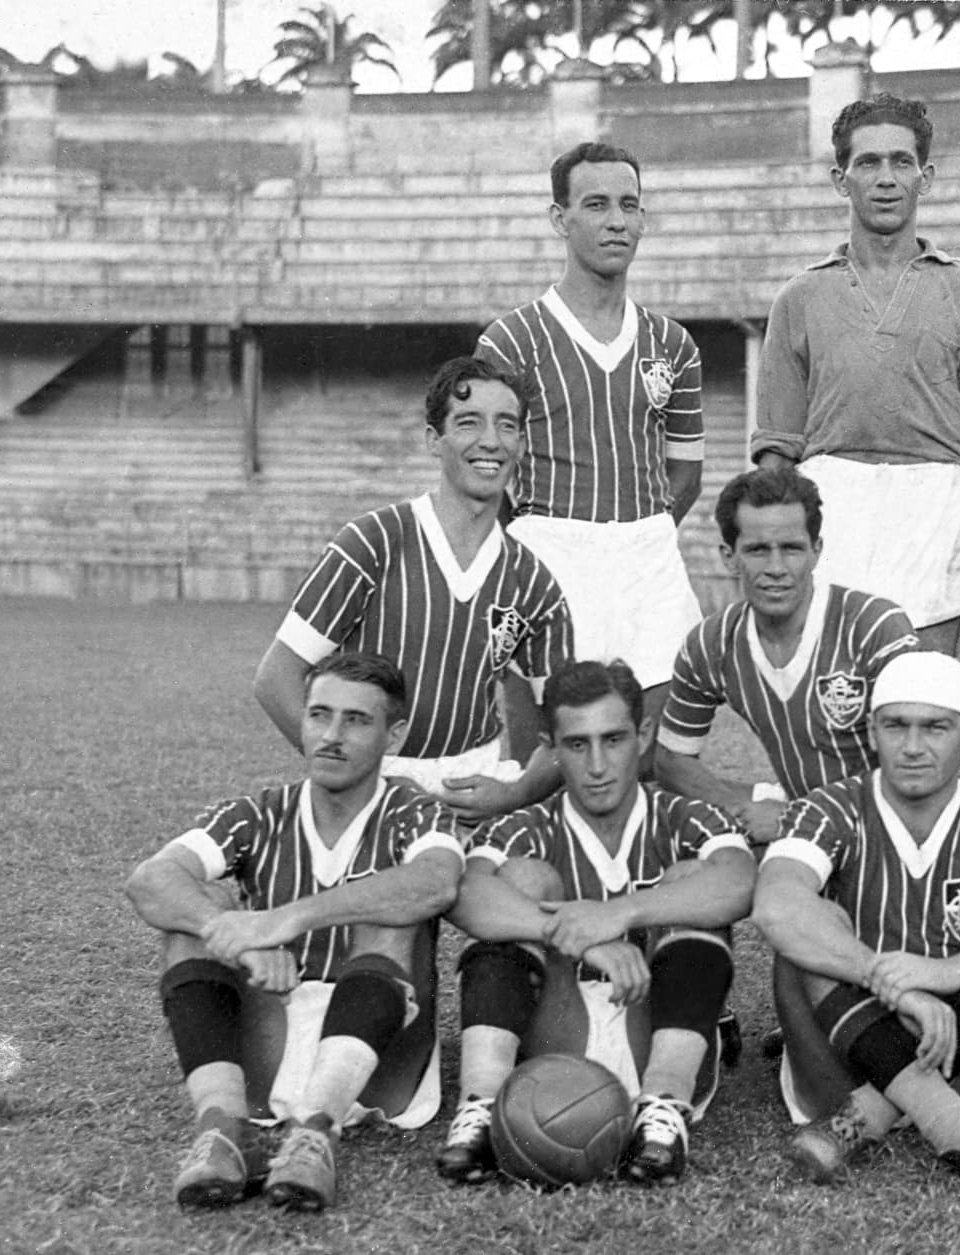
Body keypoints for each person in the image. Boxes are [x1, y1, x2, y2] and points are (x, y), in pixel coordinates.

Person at [125, 652, 464, 1212]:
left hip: (377, 1058)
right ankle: (224, 1128)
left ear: (393, 734)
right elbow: (149, 881)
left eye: (356, 720)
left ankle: (317, 1134)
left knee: (388, 910)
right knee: (193, 914)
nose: (331, 736)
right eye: (319, 715)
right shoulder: (261, 813)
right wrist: (230, 929)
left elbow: (436, 882)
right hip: (269, 1039)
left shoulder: (414, 812)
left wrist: (287, 919)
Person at [751, 653, 960, 1198]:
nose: (912, 747)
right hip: (847, 1047)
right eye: (896, 725)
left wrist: (946, 972)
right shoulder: (829, 809)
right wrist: (898, 987)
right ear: (872, 729)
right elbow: (775, 904)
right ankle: (956, 1129)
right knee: (810, 925)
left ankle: (871, 1115)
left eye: (935, 727)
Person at [437, 660, 755, 1187]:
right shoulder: (529, 826)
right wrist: (580, 940)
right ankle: (480, 1107)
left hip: (662, 1030)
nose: (598, 764)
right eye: (578, 744)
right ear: (550, 747)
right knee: (522, 878)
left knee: (693, 877)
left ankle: (664, 1111)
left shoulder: (685, 817)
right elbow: (464, 893)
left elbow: (740, 883)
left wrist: (618, 914)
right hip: (550, 1038)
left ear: (644, 734)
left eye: (614, 739)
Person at [752, 92, 960, 680]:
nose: (886, 179)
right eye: (868, 163)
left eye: (901, 162)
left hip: (934, 519)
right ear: (839, 179)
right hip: (832, 519)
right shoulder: (800, 298)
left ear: (926, 178)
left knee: (920, 715)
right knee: (828, 720)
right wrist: (773, 566)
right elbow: (775, 461)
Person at [253, 357, 575, 826]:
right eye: (468, 423)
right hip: (369, 789)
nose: (490, 440)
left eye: (506, 426)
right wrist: (366, 779)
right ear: (433, 440)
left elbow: (571, 727)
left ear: (521, 444)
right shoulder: (373, 541)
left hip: (474, 790)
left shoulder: (534, 581)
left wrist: (515, 792)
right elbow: (276, 678)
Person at [476, 141, 705, 736]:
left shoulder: (673, 345)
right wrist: (532, 539)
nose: (616, 221)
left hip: (648, 553)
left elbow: (687, 471)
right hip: (548, 548)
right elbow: (484, 469)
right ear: (561, 219)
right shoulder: (512, 341)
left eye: (629, 205)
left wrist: (638, 531)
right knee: (549, 748)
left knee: (656, 745)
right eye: (597, 204)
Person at [654, 466, 919, 845]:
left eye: (791, 549)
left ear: (816, 551)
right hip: (807, 827)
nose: (776, 569)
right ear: (729, 557)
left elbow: (920, 768)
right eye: (758, 550)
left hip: (896, 830)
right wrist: (737, 807)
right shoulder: (711, 643)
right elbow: (671, 760)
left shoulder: (875, 627)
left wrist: (796, 818)